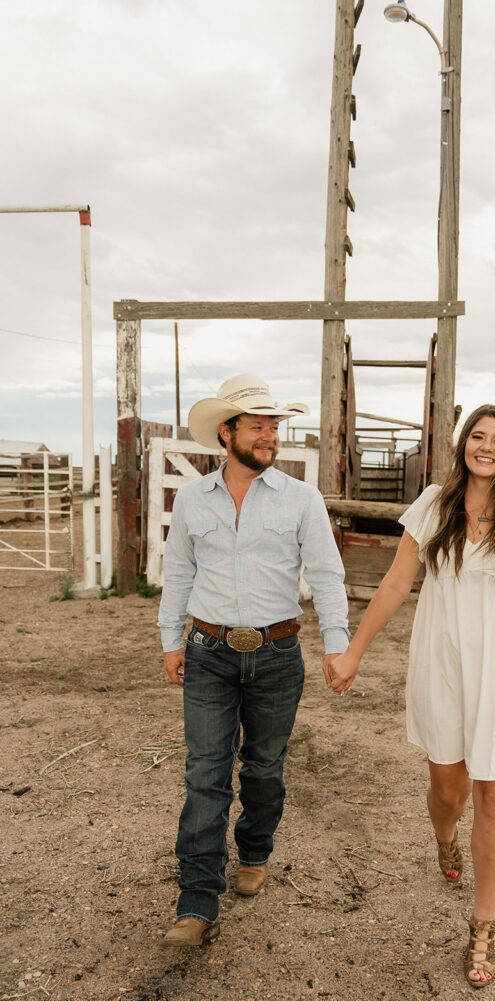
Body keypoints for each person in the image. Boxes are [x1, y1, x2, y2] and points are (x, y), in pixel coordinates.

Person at [328, 404, 495, 988]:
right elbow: (394, 582)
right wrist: (354, 650)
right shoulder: (434, 504)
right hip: (445, 662)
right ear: (464, 444)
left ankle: (482, 929)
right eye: (477, 437)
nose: (487, 447)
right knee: (448, 788)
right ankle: (444, 837)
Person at [158, 373, 349, 948]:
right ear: (227, 431)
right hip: (208, 651)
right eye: (258, 426)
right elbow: (178, 573)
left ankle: (256, 849)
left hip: (277, 652)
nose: (269, 437)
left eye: (274, 427)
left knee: (263, 769)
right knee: (205, 774)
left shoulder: (301, 498)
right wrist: (171, 638)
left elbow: (326, 573)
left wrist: (336, 645)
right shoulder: (192, 499)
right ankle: (196, 902)